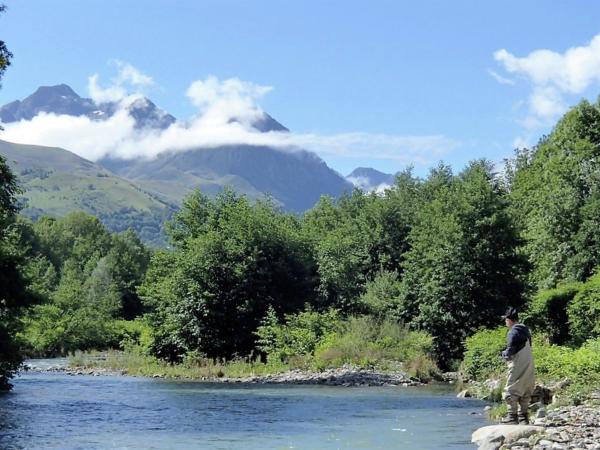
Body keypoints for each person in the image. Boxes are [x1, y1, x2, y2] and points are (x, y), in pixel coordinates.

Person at [500, 307, 535, 425]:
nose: (505, 322)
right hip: (529, 363)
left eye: (505, 320)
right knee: (525, 390)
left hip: (518, 364)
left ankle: (512, 417)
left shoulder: (513, 331)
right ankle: (524, 418)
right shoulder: (526, 330)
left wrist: (503, 354)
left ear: (509, 320)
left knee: (511, 390)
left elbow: (511, 350)